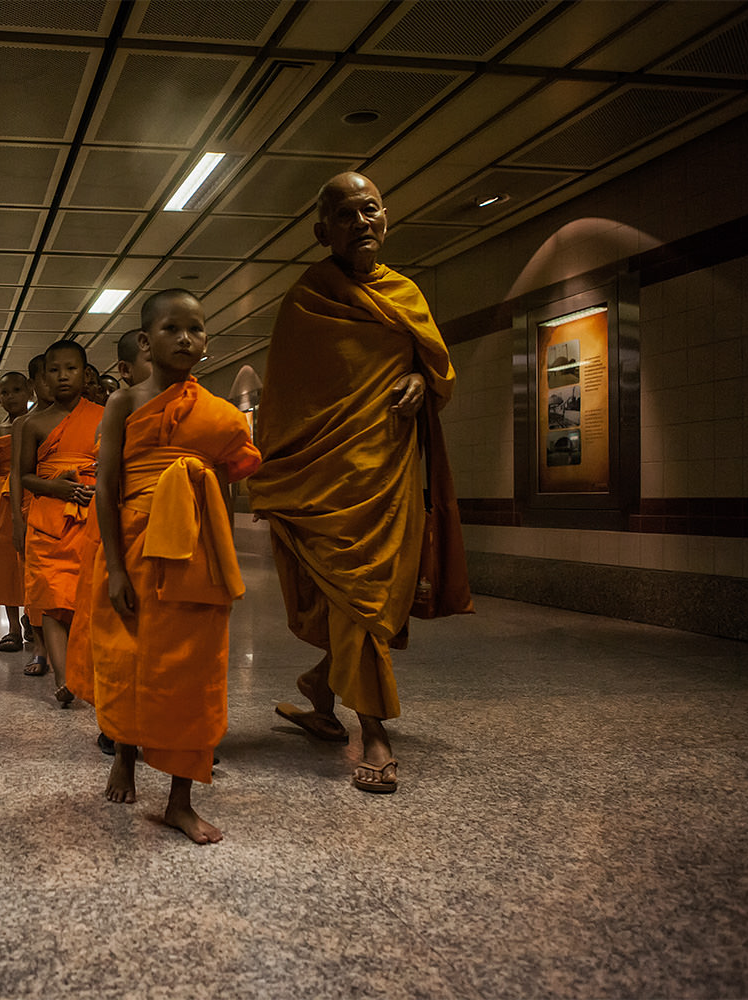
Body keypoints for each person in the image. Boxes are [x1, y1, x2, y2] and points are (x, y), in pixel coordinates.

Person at [247, 172, 459, 794]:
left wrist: (422, 382)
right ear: (322, 231)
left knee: (374, 600)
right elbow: (288, 397)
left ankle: (320, 688)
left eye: (369, 209)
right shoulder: (307, 298)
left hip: (388, 473)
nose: (360, 222)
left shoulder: (406, 293)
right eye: (344, 215)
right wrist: (279, 472)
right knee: (357, 599)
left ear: (386, 218)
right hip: (326, 481)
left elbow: (435, 366)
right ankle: (374, 731)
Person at [90, 289, 261, 843]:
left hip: (195, 557)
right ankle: (124, 751)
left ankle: (181, 801)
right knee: (130, 660)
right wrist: (115, 568)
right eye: (171, 329)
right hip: (136, 549)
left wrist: (224, 561)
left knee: (195, 674)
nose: (186, 339)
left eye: (196, 329)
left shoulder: (218, 414)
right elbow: (107, 489)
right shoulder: (124, 403)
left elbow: (224, 491)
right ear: (146, 340)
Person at [69, 327, 153, 756]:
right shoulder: (118, 414)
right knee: (113, 630)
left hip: (176, 535)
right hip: (115, 532)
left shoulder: (188, 407)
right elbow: (107, 485)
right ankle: (115, 722)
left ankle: (172, 728)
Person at [17, 340, 104, 706]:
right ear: (44, 377)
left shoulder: (104, 416)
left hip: (92, 519)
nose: (62, 376)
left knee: (88, 599)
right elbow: (23, 476)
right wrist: (57, 487)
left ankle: (91, 672)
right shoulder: (33, 423)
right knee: (52, 602)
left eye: (71, 369)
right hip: (49, 521)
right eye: (54, 370)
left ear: (85, 374)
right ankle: (65, 679)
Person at [0, 371, 33, 652]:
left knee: (30, 562)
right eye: (5, 392)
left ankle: (33, 619)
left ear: (30, 393)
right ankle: (13, 627)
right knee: (4, 566)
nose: (11, 396)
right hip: (1, 504)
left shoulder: (38, 424)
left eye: (17, 390)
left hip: (31, 497)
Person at [11, 354, 54, 676]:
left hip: (80, 506)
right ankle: (40, 646)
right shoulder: (24, 424)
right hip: (35, 508)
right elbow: (17, 474)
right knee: (37, 581)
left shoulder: (89, 416)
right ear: (33, 384)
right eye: (45, 376)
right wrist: (16, 519)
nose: (54, 381)